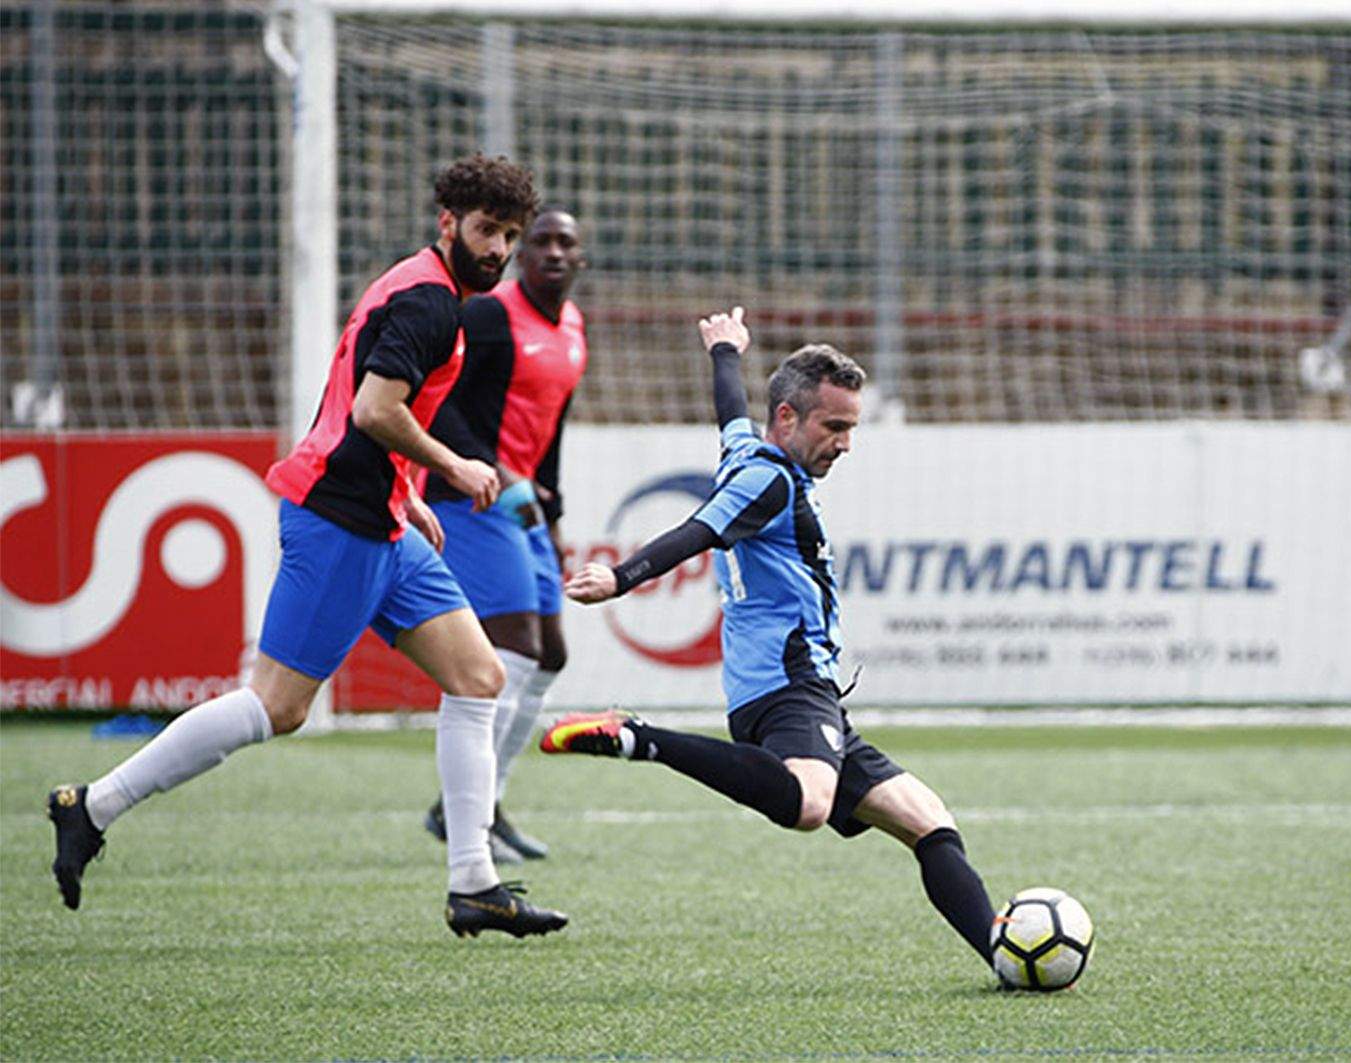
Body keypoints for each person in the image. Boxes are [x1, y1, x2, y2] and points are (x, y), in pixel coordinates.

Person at [48, 154, 568, 937]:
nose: (497, 248)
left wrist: (404, 493)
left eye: (509, 235)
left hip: (381, 520)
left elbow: (353, 402)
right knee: (278, 705)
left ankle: (475, 884)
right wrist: (453, 465)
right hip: (338, 522)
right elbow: (372, 410)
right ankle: (92, 805)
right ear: (448, 224)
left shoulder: (422, 287)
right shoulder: (429, 302)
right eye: (487, 230)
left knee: (479, 675)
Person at [541, 307, 1001, 971]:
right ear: (787, 418)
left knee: (928, 819)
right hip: (789, 685)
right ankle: (637, 736)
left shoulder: (745, 453)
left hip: (800, 692)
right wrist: (621, 577)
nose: (845, 443)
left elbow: (731, 411)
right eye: (834, 426)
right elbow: (698, 530)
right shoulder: (769, 480)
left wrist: (725, 351)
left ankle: (1003, 954)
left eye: (851, 427)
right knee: (809, 804)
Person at [419, 208, 589, 863]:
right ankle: (468, 812)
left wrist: (553, 511)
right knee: (514, 646)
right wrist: (488, 467)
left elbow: (551, 433)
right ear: (522, 254)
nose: (553, 251)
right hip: (469, 495)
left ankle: (484, 803)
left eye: (565, 243)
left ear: (580, 258)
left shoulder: (573, 328)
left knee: (550, 655)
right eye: (540, 241)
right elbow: (439, 401)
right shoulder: (490, 316)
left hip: (522, 505)